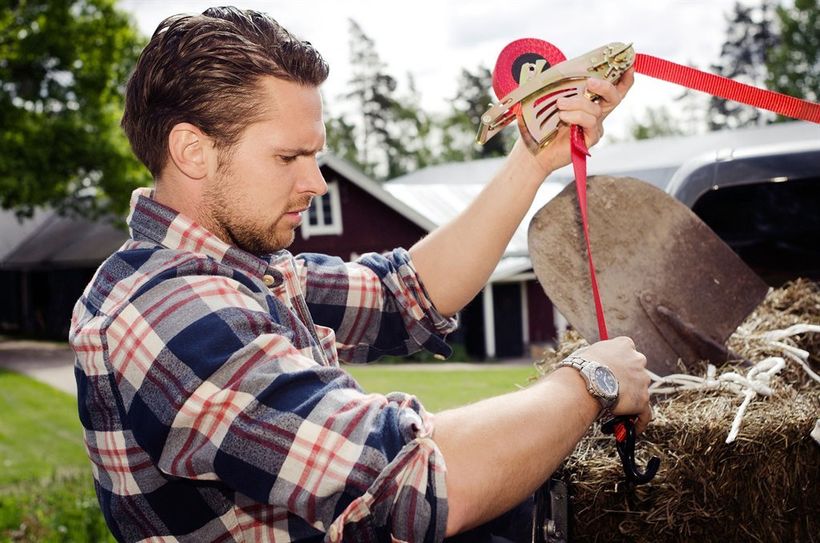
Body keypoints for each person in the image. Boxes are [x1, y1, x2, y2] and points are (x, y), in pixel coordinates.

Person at [70, 6, 650, 542]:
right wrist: (587, 382)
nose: (316, 183)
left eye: (314, 155)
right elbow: (414, 481)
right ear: (192, 151)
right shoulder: (166, 313)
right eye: (288, 157)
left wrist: (533, 156)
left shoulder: (246, 272)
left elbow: (409, 293)